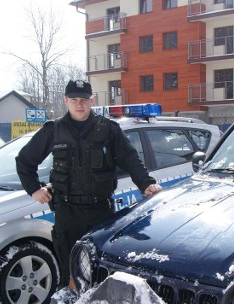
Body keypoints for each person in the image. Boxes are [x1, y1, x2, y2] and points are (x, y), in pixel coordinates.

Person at [16, 80, 162, 289]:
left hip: (100, 211)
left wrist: (146, 183)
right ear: (66, 100)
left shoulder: (108, 129)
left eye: (84, 100)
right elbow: (24, 160)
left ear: (91, 101)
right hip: (67, 211)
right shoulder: (53, 130)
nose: (79, 104)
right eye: (74, 100)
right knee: (70, 269)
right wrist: (34, 189)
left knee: (102, 267)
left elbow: (130, 159)